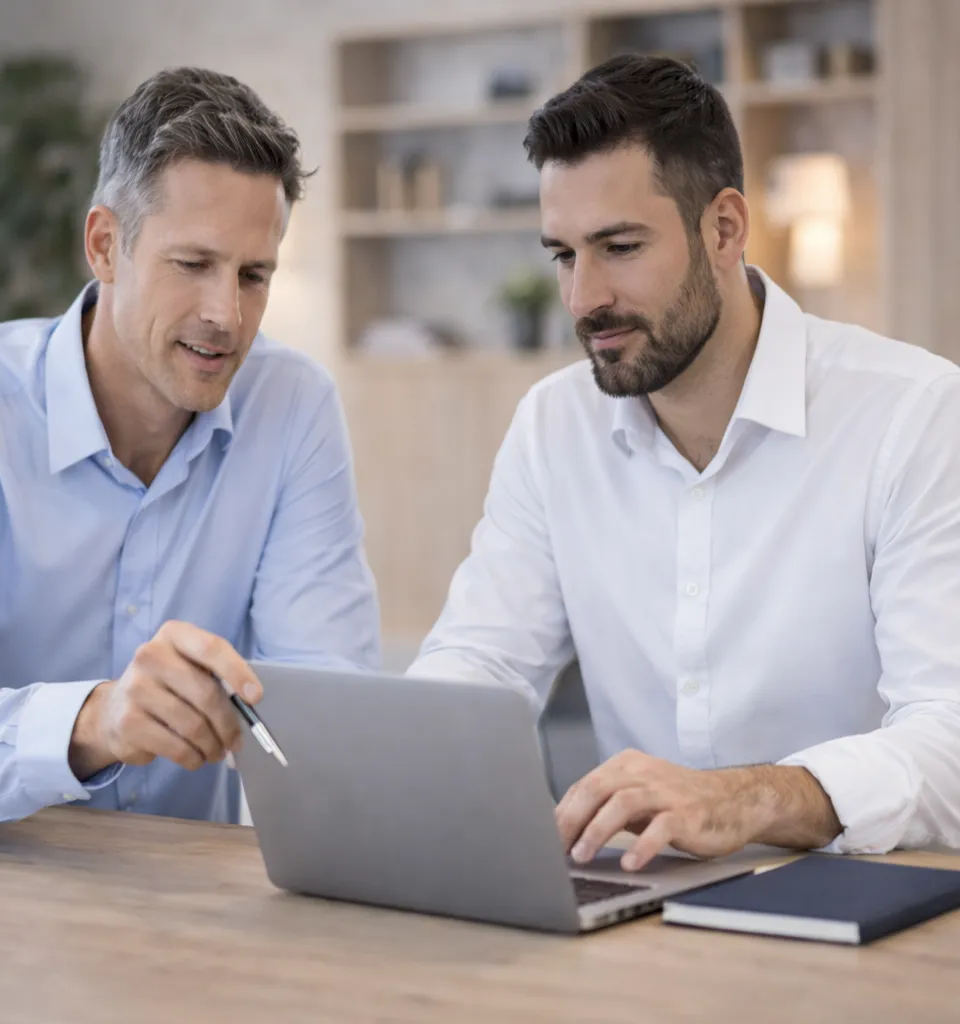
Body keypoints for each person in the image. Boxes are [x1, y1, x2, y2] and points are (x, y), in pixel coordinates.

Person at [409, 54, 960, 871]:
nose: (581, 298)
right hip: (643, 905)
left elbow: (949, 741)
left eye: (619, 246)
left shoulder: (914, 415)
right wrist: (393, 749)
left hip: (868, 902)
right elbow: (484, 658)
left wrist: (744, 798)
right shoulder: (553, 426)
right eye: (562, 254)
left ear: (725, 229)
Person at [0, 67, 379, 829]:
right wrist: (94, 722)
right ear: (106, 246)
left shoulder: (293, 408)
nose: (226, 315)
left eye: (254, 275)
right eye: (193, 264)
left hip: (193, 902)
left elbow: (325, 701)